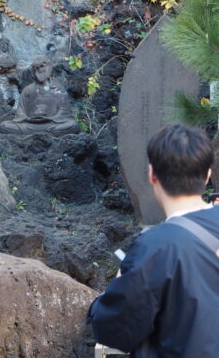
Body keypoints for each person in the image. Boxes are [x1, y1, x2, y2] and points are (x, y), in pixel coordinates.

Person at [88, 123, 219, 357]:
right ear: (208, 174)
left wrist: (117, 286)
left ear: (152, 175)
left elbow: (114, 331)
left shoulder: (155, 247)